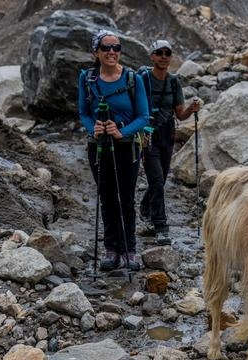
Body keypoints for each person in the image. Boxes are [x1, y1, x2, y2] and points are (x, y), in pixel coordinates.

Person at [78, 29, 149, 271]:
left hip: (126, 148)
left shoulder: (132, 79)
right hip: (98, 147)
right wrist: (93, 127)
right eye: (106, 47)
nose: (112, 52)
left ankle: (129, 249)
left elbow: (143, 116)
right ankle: (111, 249)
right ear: (96, 52)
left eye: (116, 48)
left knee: (126, 199)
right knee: (107, 198)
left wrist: (122, 131)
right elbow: (83, 114)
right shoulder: (87, 79)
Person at [138, 40, 201, 244]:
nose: (164, 56)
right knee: (156, 180)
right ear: (152, 56)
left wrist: (191, 109)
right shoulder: (143, 79)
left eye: (167, 53)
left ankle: (146, 207)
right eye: (159, 52)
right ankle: (160, 225)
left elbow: (180, 114)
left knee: (161, 179)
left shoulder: (174, 82)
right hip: (147, 135)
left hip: (167, 134)